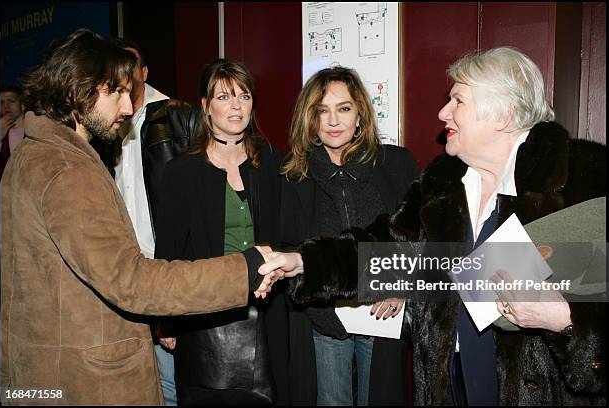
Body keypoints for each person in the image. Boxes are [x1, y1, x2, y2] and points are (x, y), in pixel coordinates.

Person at [262, 47, 606, 405]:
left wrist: (565, 320)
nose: (443, 112)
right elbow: (389, 249)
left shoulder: (582, 179)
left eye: (457, 100)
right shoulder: (443, 180)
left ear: (502, 113)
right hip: (450, 387)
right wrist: (305, 262)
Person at [0, 29, 293, 406]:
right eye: (117, 92)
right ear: (79, 89)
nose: (127, 106)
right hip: (78, 379)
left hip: (41, 373)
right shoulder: (64, 170)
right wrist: (246, 267)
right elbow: (131, 280)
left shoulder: (31, 156)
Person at [280, 66, 419, 406]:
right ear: (309, 120)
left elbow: (418, 235)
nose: (333, 120)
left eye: (343, 108)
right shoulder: (292, 176)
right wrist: (318, 310)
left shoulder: (395, 164)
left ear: (360, 114)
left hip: (381, 313)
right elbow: (286, 248)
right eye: (321, 111)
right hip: (324, 314)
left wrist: (403, 286)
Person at [153, 58, 288, 405]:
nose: (236, 106)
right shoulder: (181, 172)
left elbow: (286, 235)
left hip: (267, 314)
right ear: (205, 106)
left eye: (243, 96)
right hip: (205, 319)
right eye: (224, 97)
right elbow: (168, 251)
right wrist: (166, 319)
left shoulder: (271, 161)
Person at [90, 37, 198, 406]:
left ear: (144, 72)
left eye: (130, 64)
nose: (124, 74)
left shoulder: (174, 114)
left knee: (177, 375)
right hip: (123, 264)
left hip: (166, 262)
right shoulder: (103, 123)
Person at [0, 85, 25, 180]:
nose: (6, 106)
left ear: (22, 104)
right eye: (1, 103)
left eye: (11, 101)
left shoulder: (34, 131)